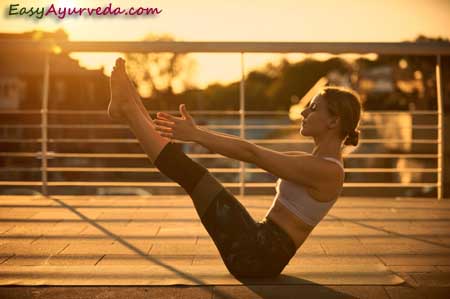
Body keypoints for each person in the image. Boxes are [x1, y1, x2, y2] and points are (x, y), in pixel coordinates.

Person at [107, 57, 362, 278]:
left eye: (314, 107)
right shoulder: (313, 162)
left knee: (193, 176)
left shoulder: (328, 171)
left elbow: (251, 153)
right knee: (193, 175)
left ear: (334, 121)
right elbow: (250, 152)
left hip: (257, 256)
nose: (303, 111)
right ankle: (129, 104)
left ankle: (128, 108)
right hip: (257, 243)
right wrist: (195, 134)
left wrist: (197, 134)